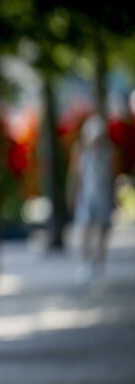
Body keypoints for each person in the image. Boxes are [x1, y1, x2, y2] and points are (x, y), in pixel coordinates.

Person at [69, 114, 115, 282]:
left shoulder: (107, 152)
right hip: (86, 197)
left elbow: (112, 176)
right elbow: (75, 177)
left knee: (102, 231)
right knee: (84, 230)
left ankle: (99, 264)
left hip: (102, 196)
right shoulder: (81, 151)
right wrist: (73, 196)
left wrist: (114, 199)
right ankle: (84, 263)